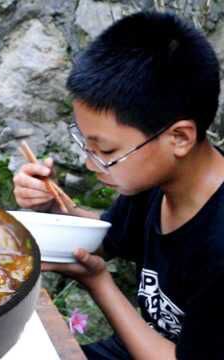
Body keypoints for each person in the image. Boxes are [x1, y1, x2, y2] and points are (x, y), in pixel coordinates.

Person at [13, 11, 224, 359]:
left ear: (180, 138)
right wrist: (53, 209)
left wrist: (99, 284)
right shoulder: (158, 182)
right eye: (86, 144)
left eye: (106, 150)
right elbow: (104, 241)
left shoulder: (217, 243)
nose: (89, 161)